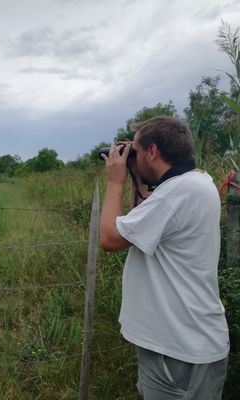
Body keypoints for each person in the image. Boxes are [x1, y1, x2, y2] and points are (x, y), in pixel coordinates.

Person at [99, 116, 229, 399]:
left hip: (178, 352)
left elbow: (110, 238)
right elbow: (140, 225)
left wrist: (115, 181)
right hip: (187, 344)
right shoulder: (194, 183)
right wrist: (136, 175)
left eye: (136, 150)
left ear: (153, 152)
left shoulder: (176, 194)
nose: (132, 155)